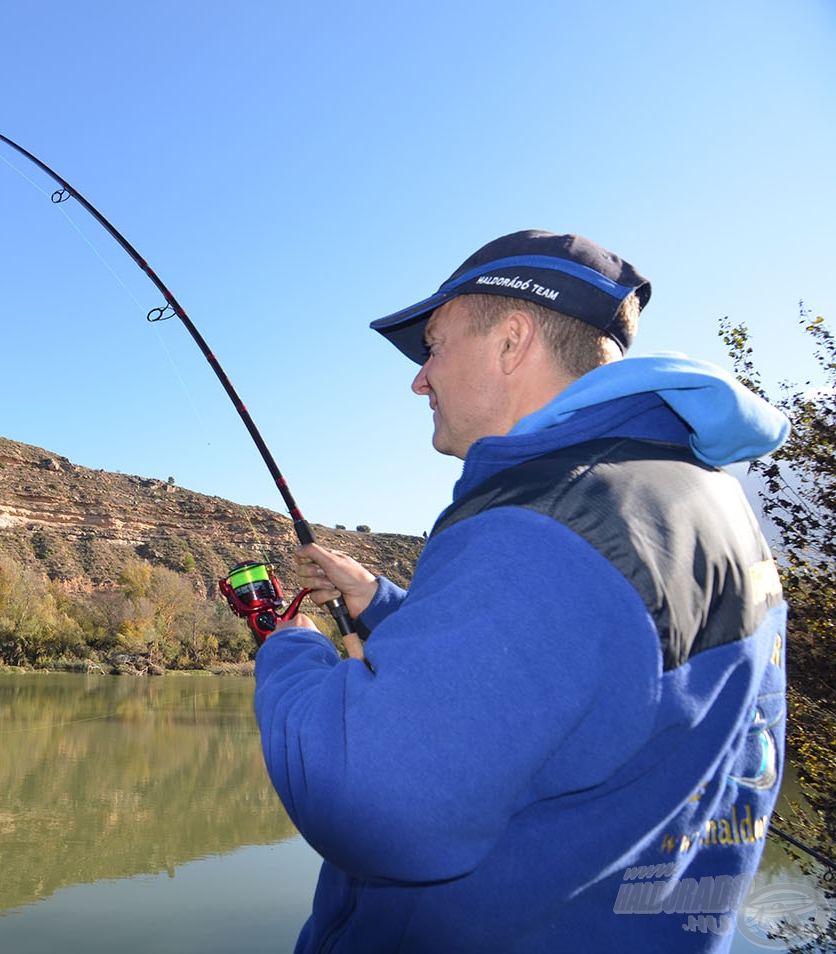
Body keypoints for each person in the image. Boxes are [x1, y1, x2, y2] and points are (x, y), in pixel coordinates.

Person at [254, 230, 790, 953]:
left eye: (435, 346)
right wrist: (380, 603)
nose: (420, 380)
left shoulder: (549, 519)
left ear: (512, 340)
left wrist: (288, 645)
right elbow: (577, 680)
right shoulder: (701, 501)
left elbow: (372, 801)